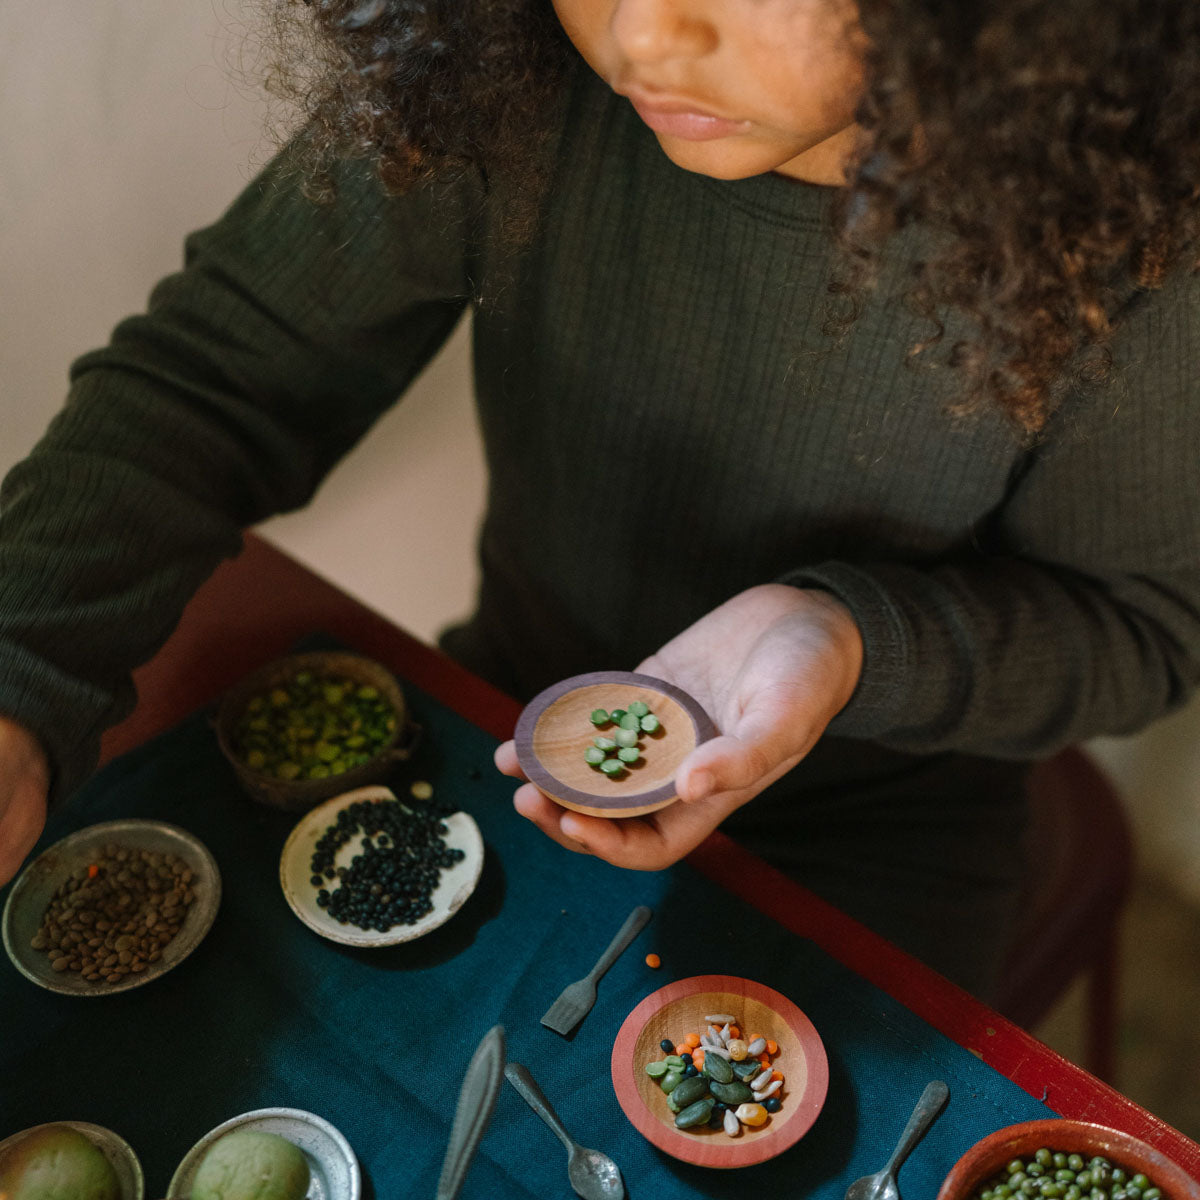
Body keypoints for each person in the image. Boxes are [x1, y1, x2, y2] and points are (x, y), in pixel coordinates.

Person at [2, 0, 1199, 1001]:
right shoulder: (513, 75)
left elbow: (1141, 625)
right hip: (507, 716)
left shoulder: (1134, 242)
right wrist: (20, 673)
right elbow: (215, 377)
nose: (642, 37)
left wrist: (848, 642)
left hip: (865, 849)